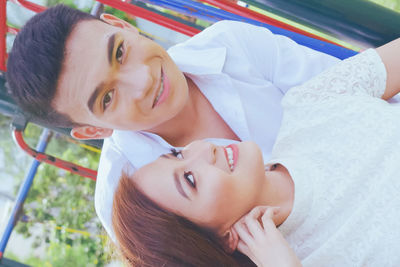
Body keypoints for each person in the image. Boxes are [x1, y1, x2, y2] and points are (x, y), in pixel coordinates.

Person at [6, 5, 340, 239]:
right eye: (108, 98)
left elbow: (359, 89)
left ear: (122, 26)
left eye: (120, 52)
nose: (143, 81)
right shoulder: (124, 201)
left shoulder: (231, 45)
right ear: (95, 131)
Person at [112, 38, 400, 266]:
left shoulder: (307, 106)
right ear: (224, 239)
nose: (204, 150)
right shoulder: (304, 260)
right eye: (190, 179)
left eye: (177, 154)